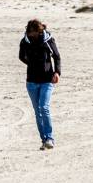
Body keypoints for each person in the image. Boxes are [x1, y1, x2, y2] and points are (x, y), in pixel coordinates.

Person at [19, 18, 61, 150]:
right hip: (31, 82)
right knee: (37, 112)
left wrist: (57, 72)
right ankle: (44, 140)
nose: (31, 35)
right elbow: (21, 56)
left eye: (33, 32)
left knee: (44, 107)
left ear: (39, 31)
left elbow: (57, 56)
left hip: (47, 80)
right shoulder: (25, 41)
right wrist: (32, 65)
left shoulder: (48, 40)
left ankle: (49, 138)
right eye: (29, 32)